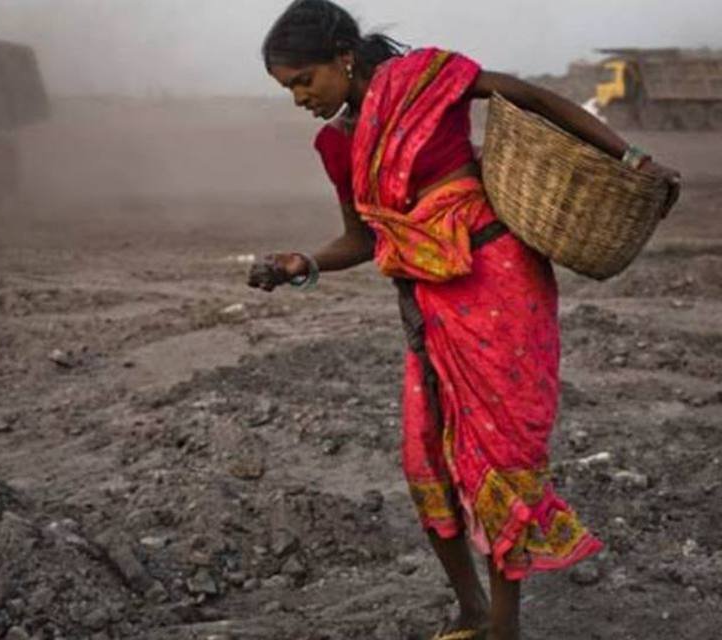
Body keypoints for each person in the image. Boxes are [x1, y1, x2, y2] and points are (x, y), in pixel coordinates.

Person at [249, 2, 682, 639]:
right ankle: (471, 610)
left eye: (303, 81)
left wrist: (631, 157)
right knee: (427, 458)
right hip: (425, 303)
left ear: (343, 55)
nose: (299, 98)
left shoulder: (427, 79)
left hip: (498, 283)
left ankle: (502, 627)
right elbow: (364, 238)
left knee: (499, 456)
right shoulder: (335, 144)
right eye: (289, 89)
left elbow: (528, 96)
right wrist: (301, 263)